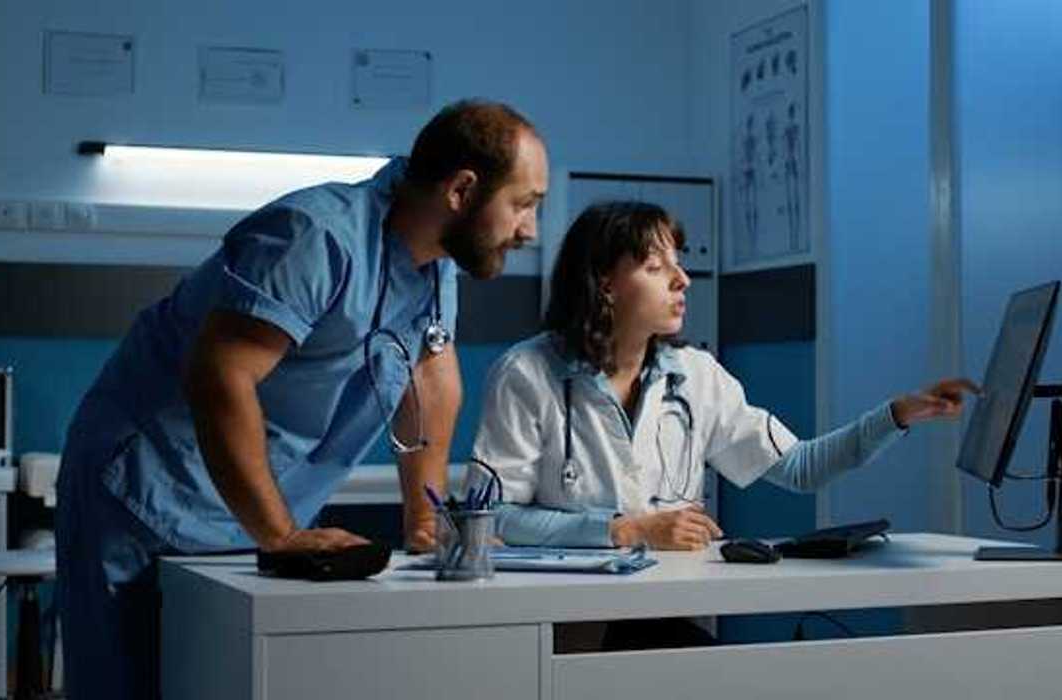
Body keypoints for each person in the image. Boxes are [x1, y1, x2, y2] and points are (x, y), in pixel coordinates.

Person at [56, 99, 548, 699]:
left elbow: (432, 374)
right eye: (523, 205)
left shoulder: (435, 265)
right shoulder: (315, 237)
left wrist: (425, 518)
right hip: (149, 491)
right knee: (131, 684)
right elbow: (221, 375)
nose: (530, 231)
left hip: (253, 513)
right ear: (462, 190)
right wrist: (281, 533)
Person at [467, 200, 977, 553]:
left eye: (680, 262)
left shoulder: (695, 376)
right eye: (655, 265)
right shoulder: (528, 374)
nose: (681, 278)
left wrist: (897, 415)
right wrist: (623, 531)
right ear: (604, 283)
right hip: (566, 610)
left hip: (669, 604)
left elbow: (800, 468)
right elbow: (493, 516)